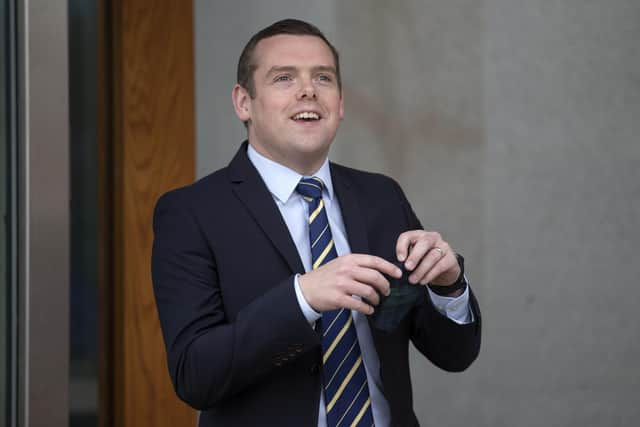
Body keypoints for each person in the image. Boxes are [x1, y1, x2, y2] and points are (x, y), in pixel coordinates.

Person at [151, 18, 481, 427]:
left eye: (323, 77)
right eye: (284, 78)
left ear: (340, 104)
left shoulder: (382, 198)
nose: (308, 90)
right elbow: (194, 375)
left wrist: (448, 287)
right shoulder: (191, 213)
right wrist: (301, 298)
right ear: (243, 102)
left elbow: (454, 354)